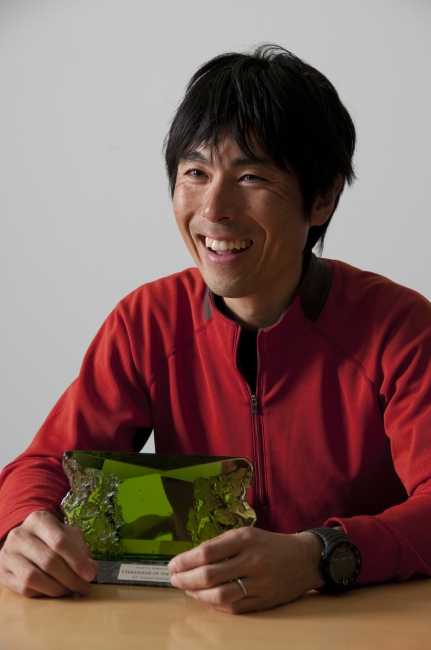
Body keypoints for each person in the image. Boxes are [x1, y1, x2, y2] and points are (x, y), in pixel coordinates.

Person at [1, 44, 431, 615]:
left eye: (250, 175)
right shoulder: (147, 322)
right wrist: (24, 527)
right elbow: (42, 466)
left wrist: (317, 555)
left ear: (323, 196)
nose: (213, 209)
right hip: (198, 628)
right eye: (196, 173)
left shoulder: (401, 329)